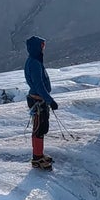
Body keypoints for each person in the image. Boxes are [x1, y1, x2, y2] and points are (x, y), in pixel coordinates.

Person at [23, 35, 58, 170]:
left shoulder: (32, 61)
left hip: (36, 99)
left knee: (39, 128)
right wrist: (50, 100)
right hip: (38, 100)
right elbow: (39, 86)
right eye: (42, 46)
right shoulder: (35, 63)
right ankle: (37, 158)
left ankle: (39, 155)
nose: (44, 48)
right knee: (39, 129)